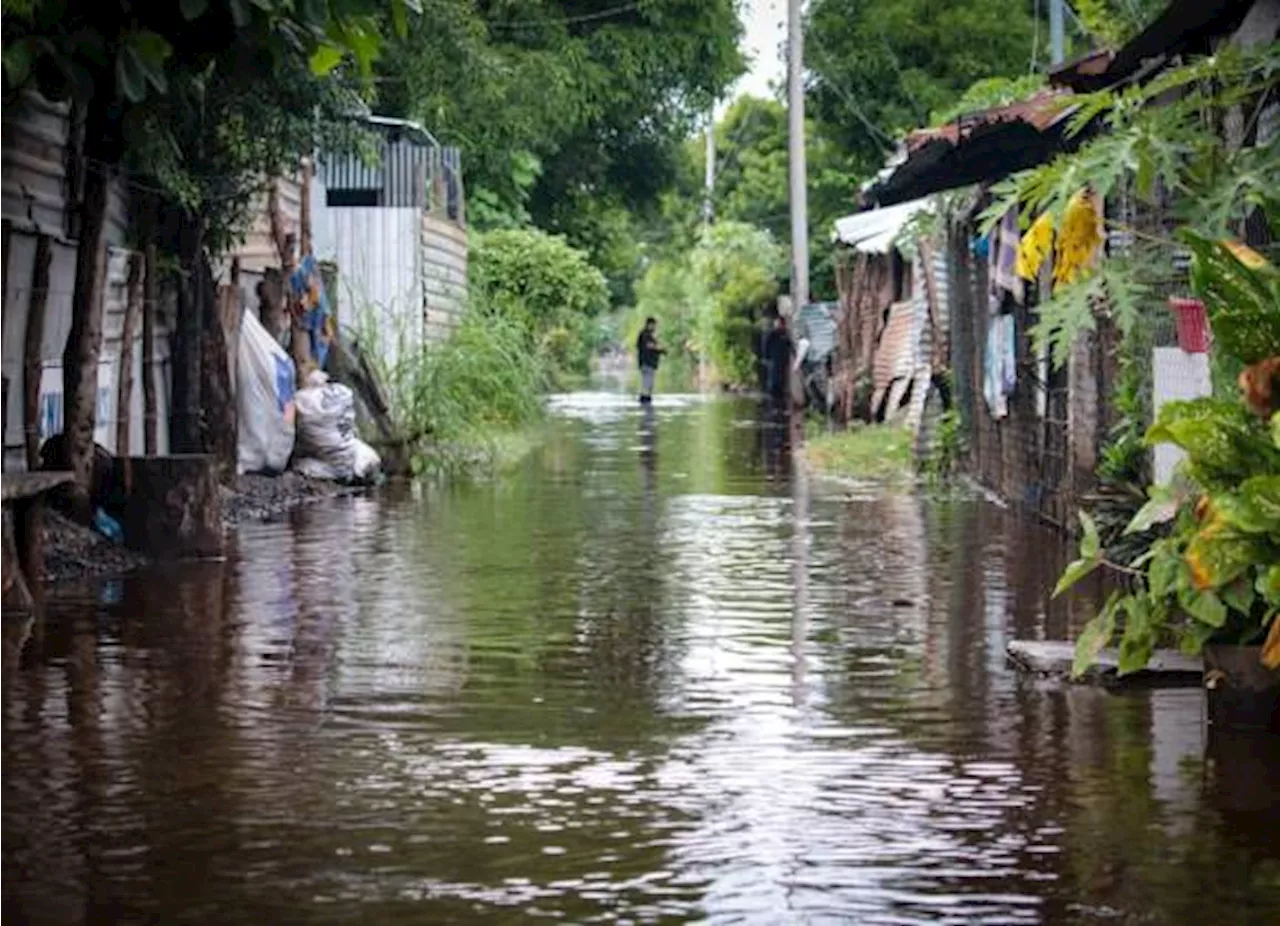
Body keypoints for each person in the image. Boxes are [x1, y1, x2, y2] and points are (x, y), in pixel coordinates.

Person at [763, 314, 793, 407]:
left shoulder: (785, 334)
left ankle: (779, 398)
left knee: (781, 378)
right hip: (773, 359)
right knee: (773, 379)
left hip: (782, 360)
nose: (778, 325)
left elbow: (789, 345)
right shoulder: (772, 334)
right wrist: (766, 357)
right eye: (777, 323)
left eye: (780, 323)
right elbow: (766, 346)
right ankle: (772, 398)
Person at [636, 316, 665, 404]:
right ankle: (645, 400)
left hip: (648, 363)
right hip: (647, 362)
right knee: (647, 383)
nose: (655, 327)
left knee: (648, 383)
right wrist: (661, 350)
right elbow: (649, 346)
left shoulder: (646, 335)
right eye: (654, 325)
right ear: (649, 324)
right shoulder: (645, 334)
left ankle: (646, 398)